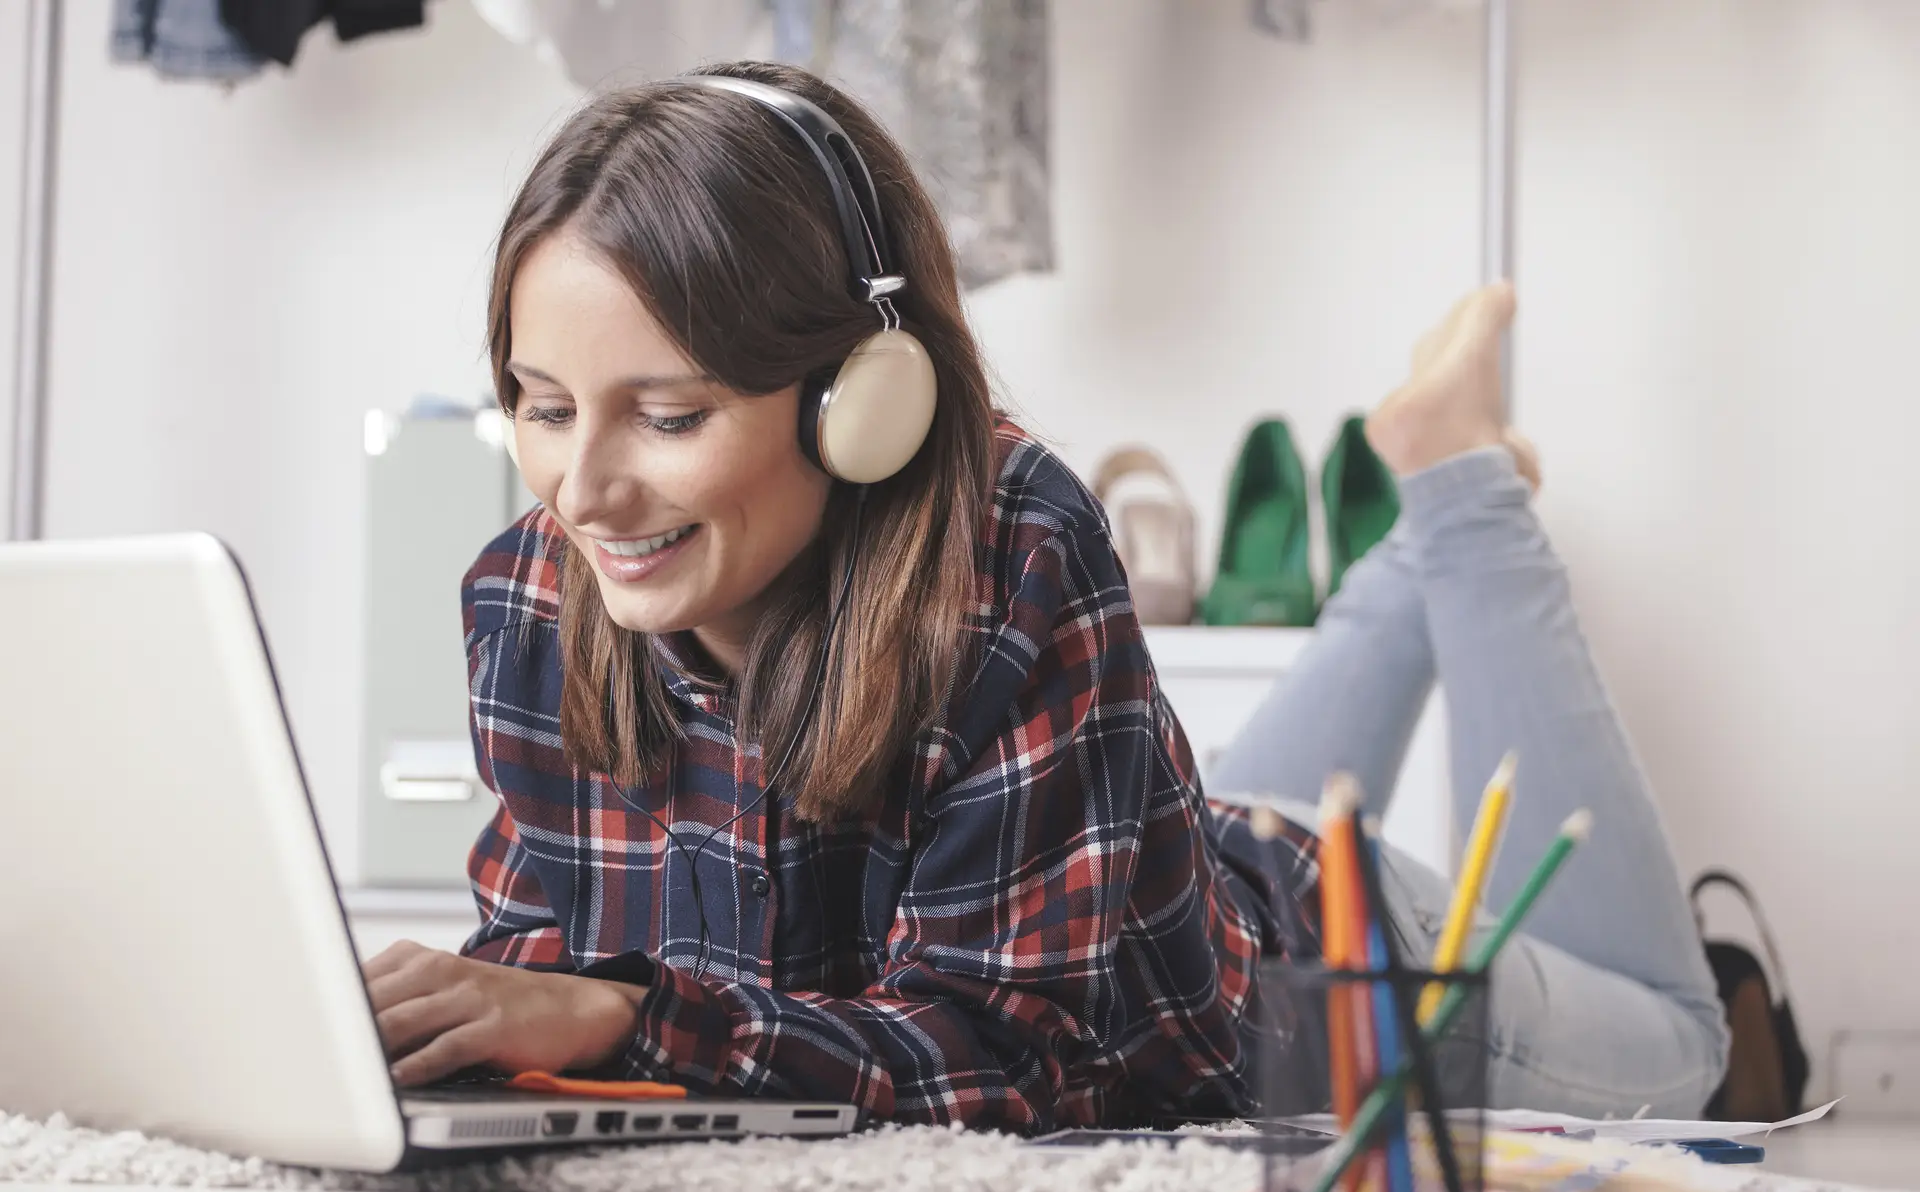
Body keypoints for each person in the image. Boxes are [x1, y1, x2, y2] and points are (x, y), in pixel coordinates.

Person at [362, 60, 1728, 1128]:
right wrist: (485, 1023)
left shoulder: (1008, 554)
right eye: (541, 409)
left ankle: (1461, 490)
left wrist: (618, 1021)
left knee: (1687, 1043)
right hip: (1147, 860)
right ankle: (1421, 519)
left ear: (861, 401)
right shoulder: (530, 604)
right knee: (1173, 829)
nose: (581, 492)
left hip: (1302, 991)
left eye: (666, 419)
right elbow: (546, 974)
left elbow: (1007, 1064)